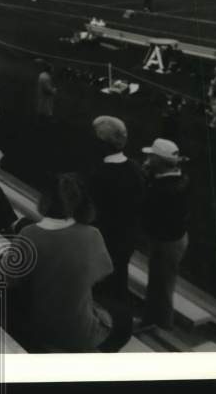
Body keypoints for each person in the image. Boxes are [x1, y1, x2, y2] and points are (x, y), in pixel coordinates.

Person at [5, 174, 131, 353]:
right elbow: (102, 273)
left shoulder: (28, 234)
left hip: (38, 326)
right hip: (78, 331)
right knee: (122, 316)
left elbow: (11, 280)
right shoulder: (92, 235)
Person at [86, 116, 145, 308]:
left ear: (103, 143)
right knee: (119, 277)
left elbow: (91, 210)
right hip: (127, 238)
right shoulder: (136, 168)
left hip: (104, 239)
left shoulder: (100, 173)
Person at [138, 138, 191, 331]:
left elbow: (146, 209)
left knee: (162, 285)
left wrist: (145, 178)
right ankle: (152, 319)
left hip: (166, 242)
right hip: (174, 238)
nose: (147, 159)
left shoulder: (163, 189)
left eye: (151, 156)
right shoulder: (178, 178)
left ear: (159, 161)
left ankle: (161, 324)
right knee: (159, 282)